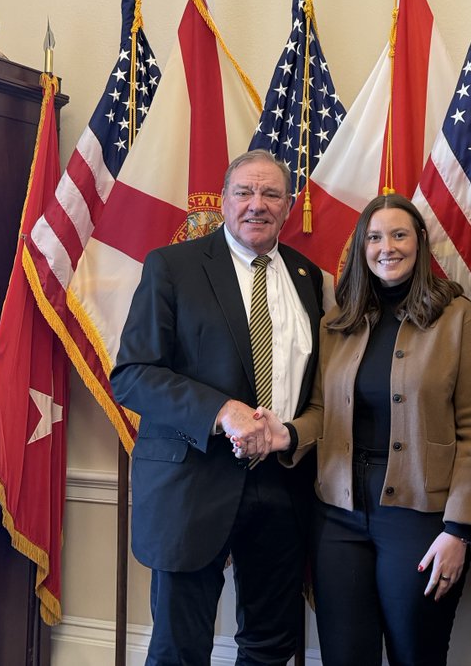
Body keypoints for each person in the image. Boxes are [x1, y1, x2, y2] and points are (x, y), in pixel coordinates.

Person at [253, 194, 471, 666]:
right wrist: (288, 433)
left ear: (420, 243)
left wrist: (459, 529)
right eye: (375, 237)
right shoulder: (337, 322)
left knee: (416, 653)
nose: (388, 247)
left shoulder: (456, 318)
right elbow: (323, 410)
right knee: (345, 656)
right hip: (338, 514)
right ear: (362, 248)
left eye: (400, 234)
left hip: (421, 517)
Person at [111, 149, 324, 666]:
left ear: (289, 206)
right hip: (193, 484)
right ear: (223, 201)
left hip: (282, 483)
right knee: (180, 650)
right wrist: (221, 410)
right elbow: (133, 376)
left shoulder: (307, 276)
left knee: (271, 644)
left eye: (271, 194)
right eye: (245, 193)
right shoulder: (174, 266)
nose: (258, 205)